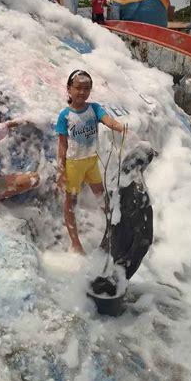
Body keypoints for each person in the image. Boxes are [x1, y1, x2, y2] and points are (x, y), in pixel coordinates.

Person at [56, 70, 125, 255]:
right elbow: (62, 145)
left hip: (91, 162)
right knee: (69, 202)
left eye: (86, 88)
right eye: (78, 88)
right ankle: (75, 242)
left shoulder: (94, 108)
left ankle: (113, 225)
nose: (82, 92)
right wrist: (61, 170)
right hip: (73, 164)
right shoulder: (65, 116)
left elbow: (107, 119)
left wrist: (118, 126)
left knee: (101, 194)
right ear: (69, 89)